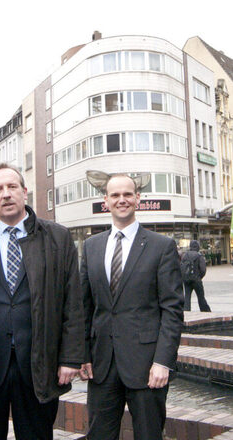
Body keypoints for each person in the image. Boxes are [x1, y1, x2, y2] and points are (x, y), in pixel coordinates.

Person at [0, 163, 85, 440]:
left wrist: (71, 357)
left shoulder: (57, 238)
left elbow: (72, 302)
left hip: (38, 365)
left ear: (25, 192)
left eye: (12, 187)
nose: (6, 194)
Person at [80, 174, 184, 440]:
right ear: (106, 201)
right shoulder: (91, 247)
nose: (121, 200)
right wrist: (82, 355)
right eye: (115, 195)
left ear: (138, 198)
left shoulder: (162, 247)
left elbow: (172, 310)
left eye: (127, 194)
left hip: (147, 366)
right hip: (102, 365)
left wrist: (163, 361)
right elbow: (84, 306)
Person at [180, 241, 211, 312]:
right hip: (196, 280)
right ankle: (205, 311)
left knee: (187, 297)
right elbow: (203, 269)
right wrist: (199, 277)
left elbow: (181, 267)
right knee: (200, 297)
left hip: (187, 280)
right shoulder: (199, 256)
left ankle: (186, 311)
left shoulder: (185, 255)